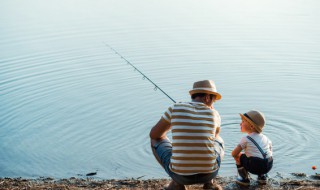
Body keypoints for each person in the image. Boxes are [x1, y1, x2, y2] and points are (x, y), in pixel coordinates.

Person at [150, 80, 224, 190]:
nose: (213, 104)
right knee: (219, 140)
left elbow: (154, 134)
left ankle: (176, 184)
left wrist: (174, 124)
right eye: (213, 100)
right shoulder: (215, 114)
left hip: (180, 176)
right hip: (210, 173)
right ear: (207, 97)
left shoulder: (175, 108)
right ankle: (209, 183)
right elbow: (214, 136)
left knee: (155, 140)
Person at [231, 110, 273, 186]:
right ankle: (262, 177)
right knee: (261, 155)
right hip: (269, 165)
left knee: (239, 155)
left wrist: (243, 154)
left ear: (251, 126)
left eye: (243, 121)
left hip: (255, 166)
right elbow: (270, 150)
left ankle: (243, 178)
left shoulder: (246, 138)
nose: (240, 123)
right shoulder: (266, 138)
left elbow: (234, 153)